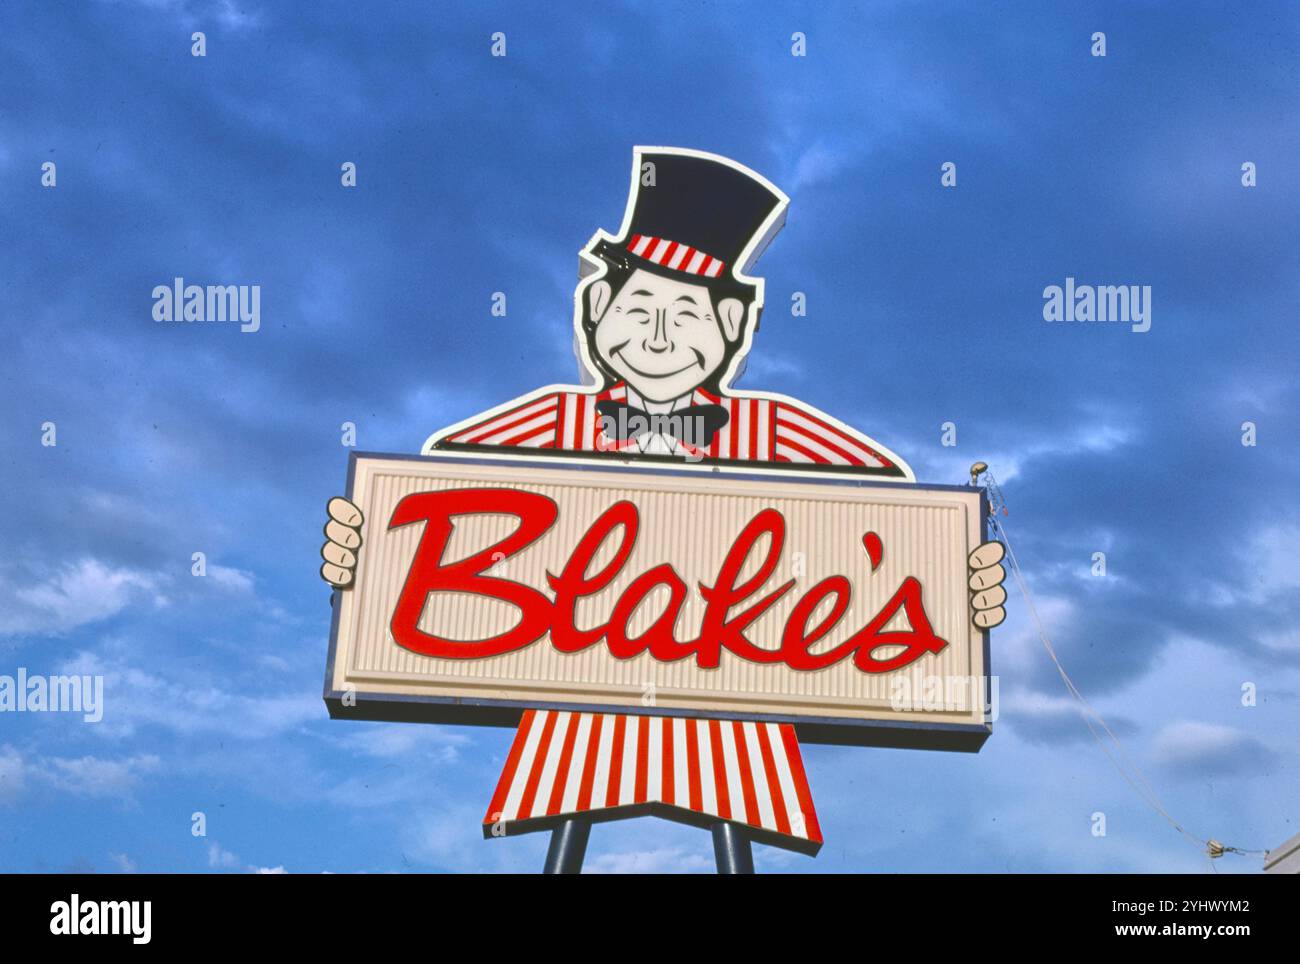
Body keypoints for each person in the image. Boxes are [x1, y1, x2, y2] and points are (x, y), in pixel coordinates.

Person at [320, 147, 1007, 629]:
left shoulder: (783, 436)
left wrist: (955, 581)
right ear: (594, 310)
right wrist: (368, 553)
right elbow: (421, 516)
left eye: (684, 315)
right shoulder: (543, 425)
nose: (656, 340)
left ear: (733, 324)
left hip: (738, 736)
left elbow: (905, 522)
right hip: (568, 723)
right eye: (638, 310)